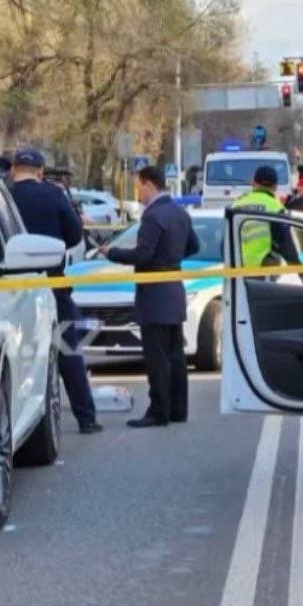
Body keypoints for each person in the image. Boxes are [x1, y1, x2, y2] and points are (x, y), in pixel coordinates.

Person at [8, 148, 103, 435]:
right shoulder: (54, 195)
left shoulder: (3, 195)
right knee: (68, 350)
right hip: (51, 283)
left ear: (13, 169)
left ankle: (18, 418)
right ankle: (86, 418)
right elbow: (74, 235)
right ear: (40, 171)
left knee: (12, 355)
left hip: (9, 286)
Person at [100, 166, 198, 428]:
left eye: (139, 187)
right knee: (175, 356)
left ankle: (158, 411)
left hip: (154, 294)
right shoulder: (179, 212)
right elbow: (194, 246)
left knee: (157, 358)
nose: (138, 193)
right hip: (174, 290)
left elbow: (143, 255)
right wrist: (171, 258)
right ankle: (177, 410)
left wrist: (112, 253)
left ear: (149, 185)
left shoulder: (153, 216)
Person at [231, 166, 303, 286]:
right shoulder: (275, 207)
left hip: (235, 272)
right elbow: (286, 246)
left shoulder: (236, 205)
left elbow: (225, 243)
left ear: (253, 182)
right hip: (263, 274)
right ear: (275, 186)